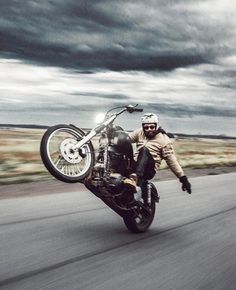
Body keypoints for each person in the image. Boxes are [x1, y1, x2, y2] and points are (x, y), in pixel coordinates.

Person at [123, 113, 192, 194]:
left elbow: (171, 160)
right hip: (135, 165)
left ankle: (135, 180)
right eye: (146, 127)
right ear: (143, 127)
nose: (149, 129)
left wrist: (183, 179)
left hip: (149, 170)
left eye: (152, 127)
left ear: (156, 126)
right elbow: (127, 139)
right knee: (123, 144)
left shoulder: (164, 139)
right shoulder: (139, 132)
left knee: (144, 150)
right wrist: (117, 133)